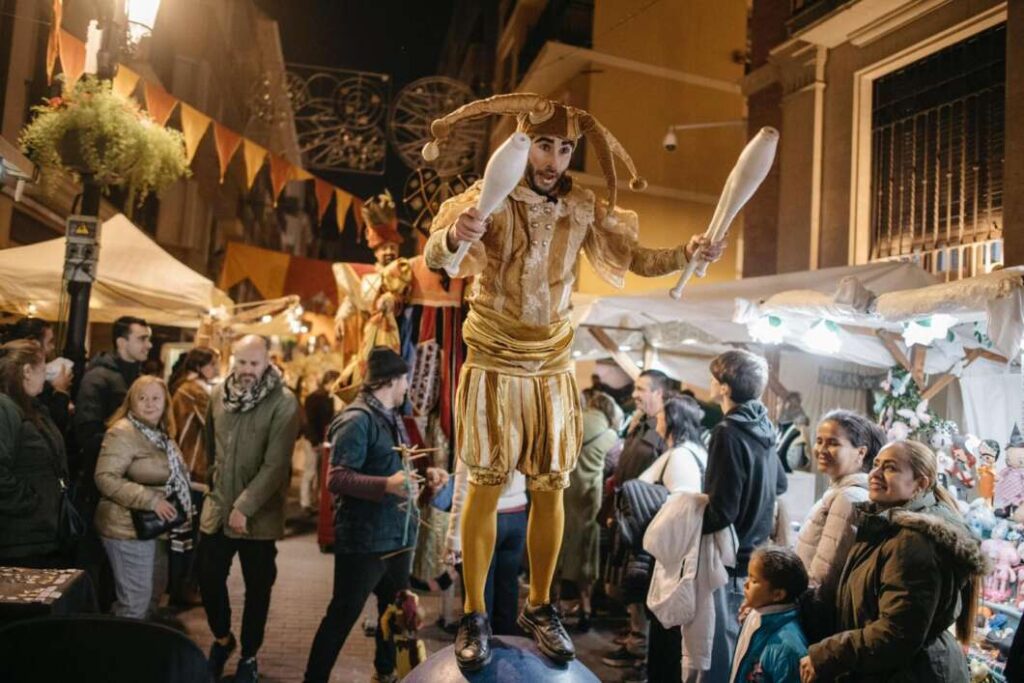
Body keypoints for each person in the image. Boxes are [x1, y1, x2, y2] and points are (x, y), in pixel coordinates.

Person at [422, 93, 726, 670]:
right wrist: (457, 234)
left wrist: (687, 251)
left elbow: (634, 255)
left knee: (550, 487)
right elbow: (440, 253)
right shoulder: (481, 199)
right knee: (486, 486)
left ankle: (540, 605)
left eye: (565, 148)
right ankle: (475, 612)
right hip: (495, 359)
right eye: (544, 145)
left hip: (554, 364)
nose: (554, 159)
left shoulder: (582, 207)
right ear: (523, 143)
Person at [304, 347, 448, 683]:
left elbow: (395, 468)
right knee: (342, 615)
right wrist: (387, 484)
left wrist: (425, 477)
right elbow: (336, 478)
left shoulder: (391, 416)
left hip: (397, 536)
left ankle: (385, 673)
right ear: (392, 380)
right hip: (365, 540)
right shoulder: (356, 419)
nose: (407, 387)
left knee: (395, 612)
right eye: (405, 380)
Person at [800, 440, 986, 682]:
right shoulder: (886, 525)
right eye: (876, 465)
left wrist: (829, 653)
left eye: (890, 468)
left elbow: (898, 632)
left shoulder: (913, 541)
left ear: (920, 484)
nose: (875, 474)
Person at [199, 335, 299, 683]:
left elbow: (276, 464)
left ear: (267, 362)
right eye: (241, 362)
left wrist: (245, 506)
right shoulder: (217, 395)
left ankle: (249, 655)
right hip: (217, 509)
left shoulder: (284, 402)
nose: (246, 370)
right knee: (207, 577)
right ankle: (223, 638)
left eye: (254, 364)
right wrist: (215, 492)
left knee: (258, 589)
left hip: (260, 516)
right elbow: (211, 448)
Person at [702, 349, 787, 680]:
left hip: (729, 557)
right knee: (738, 651)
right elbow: (778, 484)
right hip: (754, 555)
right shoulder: (763, 427)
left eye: (713, 377)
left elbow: (722, 511)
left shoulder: (727, 431)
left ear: (725, 387)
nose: (710, 383)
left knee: (720, 655)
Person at [94, 376, 193, 620]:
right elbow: (105, 477)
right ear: (131, 402)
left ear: (165, 403)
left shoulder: (159, 434)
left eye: (156, 398)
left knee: (151, 598)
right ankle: (117, 657)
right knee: (134, 604)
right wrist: (151, 500)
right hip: (126, 528)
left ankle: (139, 654)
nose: (149, 404)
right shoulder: (123, 432)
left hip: (155, 528)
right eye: (142, 398)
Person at [602, 369, 674, 671]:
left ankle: (642, 654)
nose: (635, 394)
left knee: (641, 586)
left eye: (642, 388)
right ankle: (635, 642)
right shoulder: (639, 423)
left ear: (660, 393)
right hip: (626, 516)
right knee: (628, 586)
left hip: (646, 520)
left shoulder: (664, 431)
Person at [638, 395, 707, 683]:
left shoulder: (679, 456)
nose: (658, 422)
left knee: (664, 621)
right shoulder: (696, 451)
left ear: (675, 422)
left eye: (663, 418)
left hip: (670, 553)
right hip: (681, 552)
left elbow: (678, 504)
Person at [795, 411, 884, 606]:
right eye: (819, 441)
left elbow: (824, 575)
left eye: (833, 443)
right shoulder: (839, 492)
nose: (822, 449)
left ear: (861, 452)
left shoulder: (848, 498)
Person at [0, 340, 72, 567]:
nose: (47, 376)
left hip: (38, 533)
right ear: (27, 371)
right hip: (20, 537)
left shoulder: (30, 406)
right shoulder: (6, 408)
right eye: (43, 369)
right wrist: (30, 502)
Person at [558, 390, 620, 632]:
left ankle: (552, 606)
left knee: (559, 550)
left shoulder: (572, 423)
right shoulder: (610, 435)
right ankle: (586, 609)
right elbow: (615, 467)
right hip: (589, 502)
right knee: (587, 553)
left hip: (562, 495)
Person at [447, 461, 528, 637]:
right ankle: (506, 654)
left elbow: (462, 486)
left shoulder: (477, 432)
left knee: (480, 596)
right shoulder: (521, 432)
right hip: (517, 515)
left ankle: (481, 653)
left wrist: (453, 539)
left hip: (483, 514)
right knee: (508, 591)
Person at [168, 346, 220, 606]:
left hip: (189, 470)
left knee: (186, 535)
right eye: (213, 364)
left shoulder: (187, 388)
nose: (217, 369)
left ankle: (183, 588)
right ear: (200, 366)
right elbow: (216, 423)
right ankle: (183, 590)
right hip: (193, 471)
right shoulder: (194, 391)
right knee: (189, 536)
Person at [730, 545, 809, 683]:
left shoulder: (787, 649)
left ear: (778, 594)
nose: (746, 584)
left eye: (754, 581)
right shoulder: (755, 614)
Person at [1, 317, 73, 436]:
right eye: (50, 341)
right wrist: (60, 392)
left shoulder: (29, 396)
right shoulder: (9, 405)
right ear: (34, 343)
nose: (53, 347)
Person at [300, 369, 341, 513]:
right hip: (313, 440)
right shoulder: (315, 397)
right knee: (310, 471)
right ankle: (305, 502)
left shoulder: (328, 398)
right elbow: (309, 422)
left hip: (321, 440)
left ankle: (313, 500)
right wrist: (314, 441)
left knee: (319, 472)